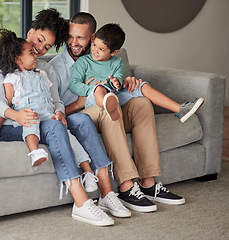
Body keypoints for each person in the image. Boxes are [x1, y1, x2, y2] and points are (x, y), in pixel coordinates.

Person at [0, 8, 130, 226]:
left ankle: (106, 193)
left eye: (46, 46)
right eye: (39, 40)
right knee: (54, 128)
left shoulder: (44, 68)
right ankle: (81, 202)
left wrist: (59, 113)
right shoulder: (3, 63)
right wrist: (16, 115)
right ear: (30, 31)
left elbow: (56, 101)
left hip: (44, 118)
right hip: (13, 125)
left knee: (81, 120)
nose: (40, 49)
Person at [50, 12, 186, 213]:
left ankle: (148, 182)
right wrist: (81, 101)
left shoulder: (106, 57)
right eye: (70, 36)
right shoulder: (54, 67)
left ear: (93, 37)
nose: (73, 42)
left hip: (109, 107)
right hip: (79, 117)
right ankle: (126, 186)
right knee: (107, 109)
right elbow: (54, 110)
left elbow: (116, 84)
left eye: (80, 37)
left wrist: (126, 83)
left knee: (141, 104)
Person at [69, 23, 205, 123]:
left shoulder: (118, 62)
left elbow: (118, 79)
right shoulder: (83, 62)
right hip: (93, 99)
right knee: (99, 89)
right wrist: (91, 88)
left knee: (143, 85)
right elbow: (74, 85)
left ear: (114, 52)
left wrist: (116, 82)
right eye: (94, 45)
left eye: (101, 49)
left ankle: (180, 109)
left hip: (114, 96)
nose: (95, 51)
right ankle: (109, 110)